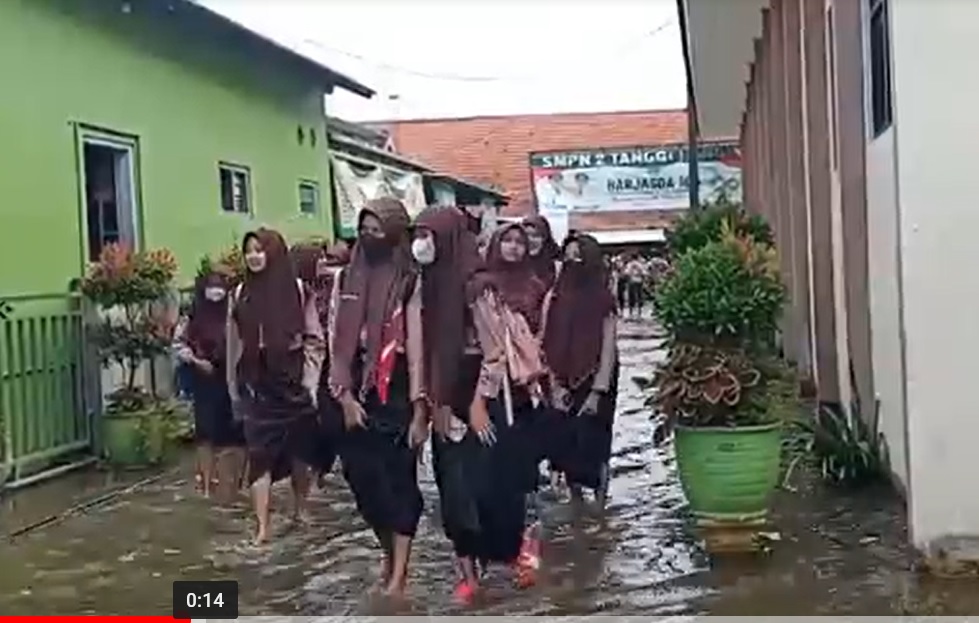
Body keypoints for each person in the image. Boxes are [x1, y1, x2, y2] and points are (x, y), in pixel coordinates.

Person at [330, 197, 429, 597]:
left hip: (397, 386)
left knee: (397, 481)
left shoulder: (410, 280)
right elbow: (337, 343)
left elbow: (418, 347)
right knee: (362, 482)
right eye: (364, 229)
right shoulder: (345, 280)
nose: (370, 237)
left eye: (377, 230)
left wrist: (420, 410)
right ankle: (387, 551)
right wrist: (345, 397)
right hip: (355, 388)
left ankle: (399, 574)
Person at [226, 228, 325, 544]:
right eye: (248, 251)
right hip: (257, 384)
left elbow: (314, 339)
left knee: (300, 451)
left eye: (259, 250)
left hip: (292, 381)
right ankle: (263, 526)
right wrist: (234, 387)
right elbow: (234, 345)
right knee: (259, 454)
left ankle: (301, 508)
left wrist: (310, 383)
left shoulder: (297, 290)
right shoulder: (240, 293)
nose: (253, 256)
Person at [465, 222, 549, 591]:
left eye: (520, 241)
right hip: (487, 393)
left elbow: (541, 334)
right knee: (486, 479)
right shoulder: (482, 287)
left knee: (520, 480)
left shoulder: (535, 287)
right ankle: (487, 555)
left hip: (524, 394)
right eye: (508, 241)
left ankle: (522, 553)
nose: (515, 247)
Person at [408, 206, 486, 602]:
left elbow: (496, 352)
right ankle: (467, 574)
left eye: (429, 235)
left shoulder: (476, 283)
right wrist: (426, 404)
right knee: (452, 493)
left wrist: (476, 403)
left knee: (487, 490)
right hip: (441, 401)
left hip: (478, 399)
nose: (421, 244)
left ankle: (508, 556)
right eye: (418, 234)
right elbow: (421, 350)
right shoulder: (423, 285)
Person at [542, 234, 619, 507]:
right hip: (561, 380)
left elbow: (609, 347)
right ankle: (576, 505)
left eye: (579, 256)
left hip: (597, 379)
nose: (572, 262)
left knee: (595, 440)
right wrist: (554, 384)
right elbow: (545, 340)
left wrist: (597, 391)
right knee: (566, 442)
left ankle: (600, 503)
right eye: (568, 256)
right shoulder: (553, 296)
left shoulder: (604, 300)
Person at [173, 267, 245, 499]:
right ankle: (205, 484)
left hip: (233, 376)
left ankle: (235, 486)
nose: (216, 292)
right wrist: (196, 360)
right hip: (205, 378)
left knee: (236, 435)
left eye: (220, 287)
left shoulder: (234, 312)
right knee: (205, 433)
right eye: (211, 287)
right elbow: (178, 344)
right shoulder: (192, 315)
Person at [289, 240, 350, 488]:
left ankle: (325, 475)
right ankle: (313, 480)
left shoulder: (337, 286)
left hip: (334, 363)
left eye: (330, 259)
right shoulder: (297, 294)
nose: (326, 264)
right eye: (322, 259)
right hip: (308, 367)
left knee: (335, 425)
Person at [523, 215, 562, 290]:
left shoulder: (557, 267)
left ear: (545, 239)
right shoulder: (513, 264)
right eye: (526, 235)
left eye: (535, 236)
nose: (530, 240)